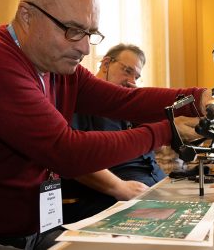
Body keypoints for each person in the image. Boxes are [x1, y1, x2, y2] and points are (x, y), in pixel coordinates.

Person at [0, 0, 214, 249]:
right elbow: (66, 151)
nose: (85, 48)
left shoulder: (58, 70)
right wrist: (166, 130)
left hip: (37, 230)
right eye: (73, 30)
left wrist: (199, 98)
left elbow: (124, 100)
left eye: (90, 33)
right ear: (27, 15)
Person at [62, 43, 167, 223]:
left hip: (158, 191)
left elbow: (158, 146)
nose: (131, 81)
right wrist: (120, 187)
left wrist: (140, 109)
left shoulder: (127, 106)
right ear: (105, 64)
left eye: (136, 76)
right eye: (127, 71)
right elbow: (71, 157)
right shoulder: (81, 101)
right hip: (111, 200)